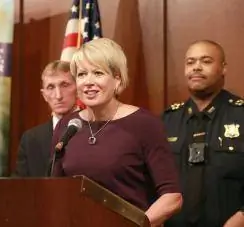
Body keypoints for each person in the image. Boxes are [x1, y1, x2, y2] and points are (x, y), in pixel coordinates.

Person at [52, 38, 182, 226]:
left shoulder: (145, 124)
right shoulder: (68, 125)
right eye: (81, 74)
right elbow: (56, 192)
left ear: (117, 79)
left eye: (98, 73)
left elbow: (172, 198)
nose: (88, 82)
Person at [162, 40, 244, 227]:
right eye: (190, 62)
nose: (196, 67)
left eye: (206, 61)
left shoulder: (241, 116)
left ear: (223, 68)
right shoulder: (167, 120)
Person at [15, 60, 78, 177]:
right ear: (44, 95)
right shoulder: (31, 139)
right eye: (51, 87)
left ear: (78, 88)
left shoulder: (94, 130)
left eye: (64, 85)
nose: (58, 95)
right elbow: (20, 187)